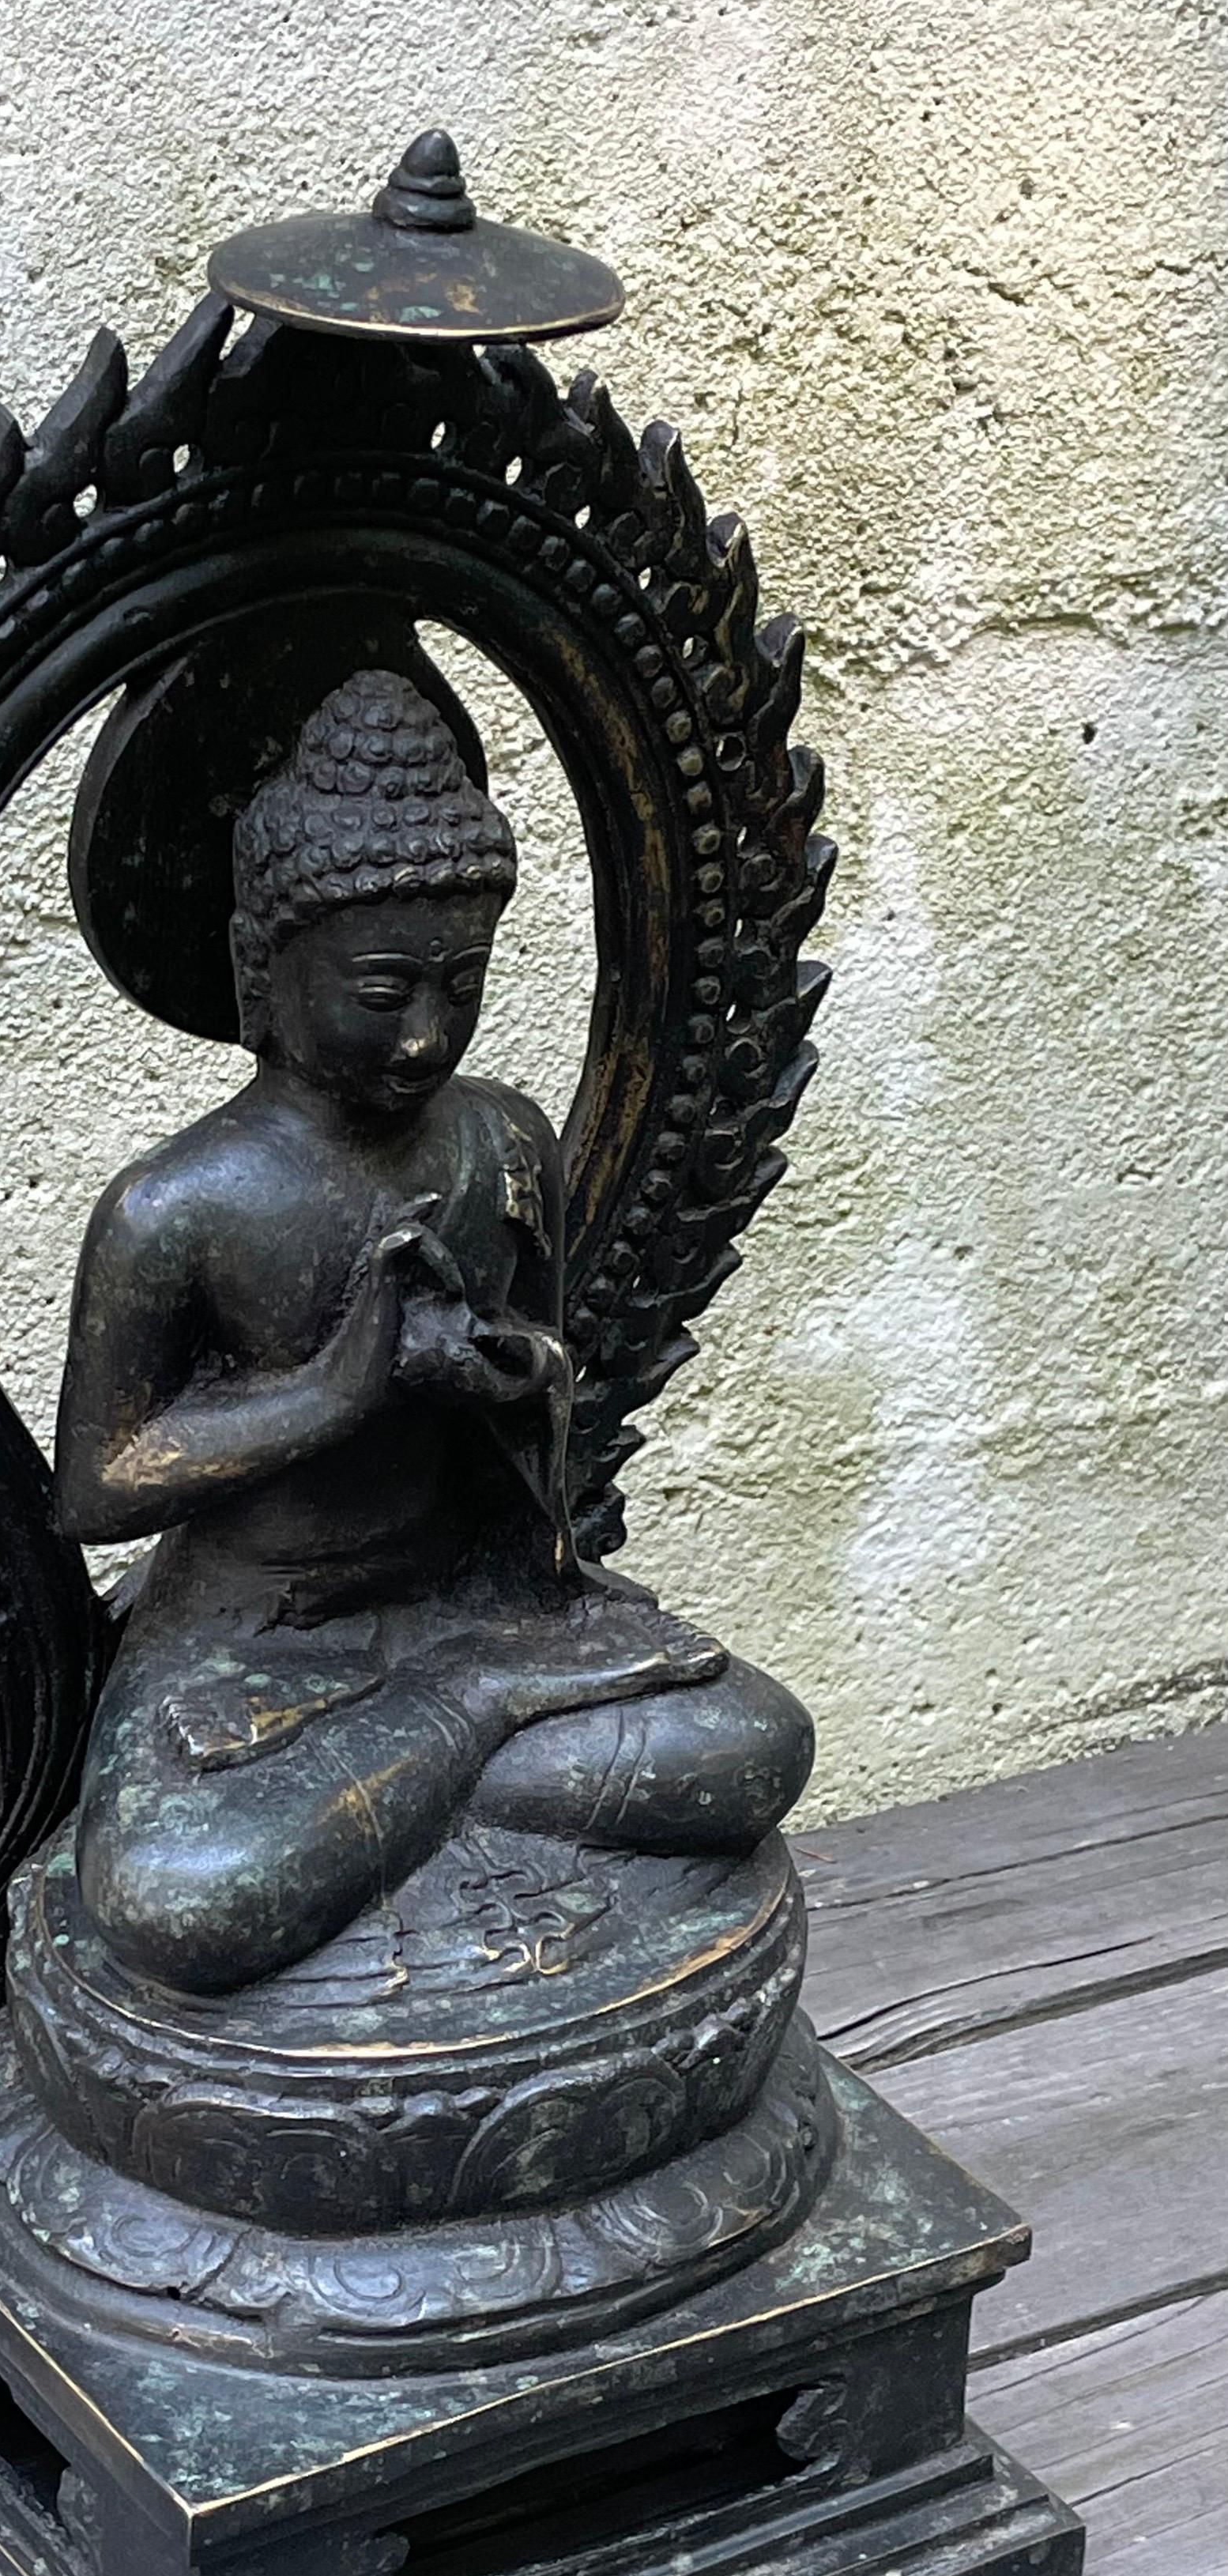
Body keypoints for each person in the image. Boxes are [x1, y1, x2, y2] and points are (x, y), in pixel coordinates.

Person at [53, 670, 811, 1997]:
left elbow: (546, 1388)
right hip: (251, 1638)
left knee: (756, 1743)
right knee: (176, 1900)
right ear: (259, 973)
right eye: (384, 988)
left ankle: (409, 1777)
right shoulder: (178, 1205)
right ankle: (471, 1726)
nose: (426, 1035)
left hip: (468, 1596)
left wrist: (509, 1373)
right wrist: (340, 1387)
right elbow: (98, 1483)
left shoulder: (503, 1137)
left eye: (461, 986)